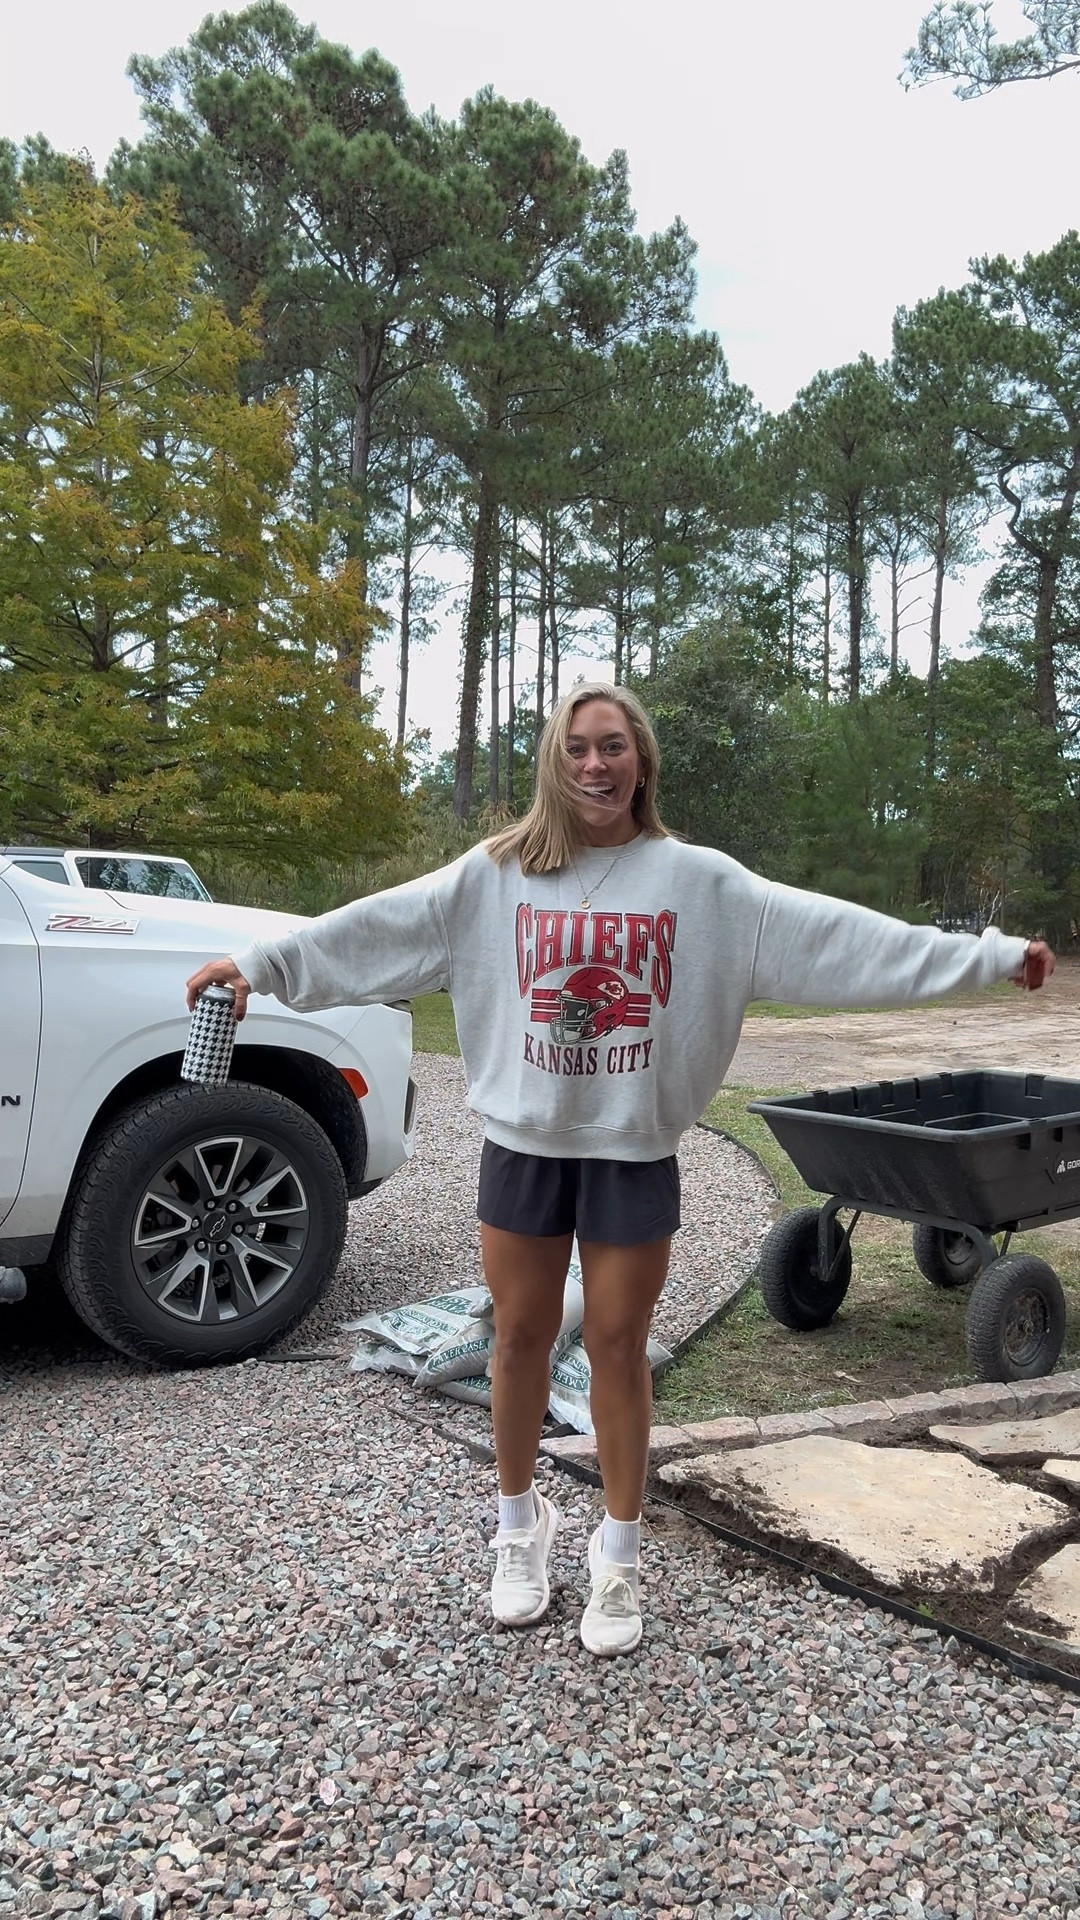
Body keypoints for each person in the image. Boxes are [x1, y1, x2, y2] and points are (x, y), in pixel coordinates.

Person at [186, 682, 1055, 1658]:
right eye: (576, 749)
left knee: (615, 1345)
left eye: (612, 747)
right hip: (524, 1146)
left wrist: (985, 956)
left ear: (641, 759)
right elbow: (372, 931)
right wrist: (260, 968)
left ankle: (618, 1551)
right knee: (518, 1338)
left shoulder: (703, 885)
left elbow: (842, 939)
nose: (593, 765)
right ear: (554, 764)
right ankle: (519, 1530)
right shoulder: (493, 876)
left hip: (631, 1152)